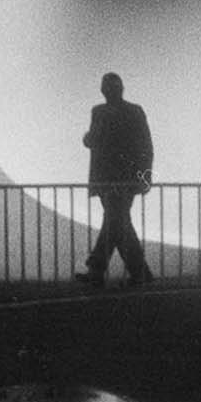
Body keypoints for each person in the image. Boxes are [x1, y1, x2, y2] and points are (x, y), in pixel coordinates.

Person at [78, 71, 155, 288]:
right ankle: (138, 272)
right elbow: (145, 146)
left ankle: (97, 269)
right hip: (122, 179)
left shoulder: (100, 112)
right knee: (118, 223)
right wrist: (144, 176)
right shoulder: (132, 111)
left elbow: (94, 140)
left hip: (111, 179)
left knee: (114, 221)